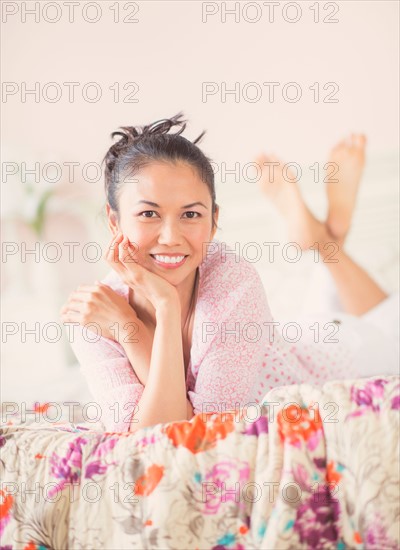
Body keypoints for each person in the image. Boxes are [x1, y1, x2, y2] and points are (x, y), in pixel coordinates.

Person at [61, 113, 304, 433]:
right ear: (114, 221)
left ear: (214, 221)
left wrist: (154, 313)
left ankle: (323, 244)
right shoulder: (97, 313)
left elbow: (207, 432)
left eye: (191, 214)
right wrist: (128, 325)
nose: (171, 237)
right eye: (149, 213)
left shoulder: (234, 283)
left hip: (325, 365)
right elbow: (147, 438)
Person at [255, 134, 399, 382]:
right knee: (345, 336)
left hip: (307, 346)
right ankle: (329, 240)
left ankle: (327, 241)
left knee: (328, 334)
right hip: (316, 350)